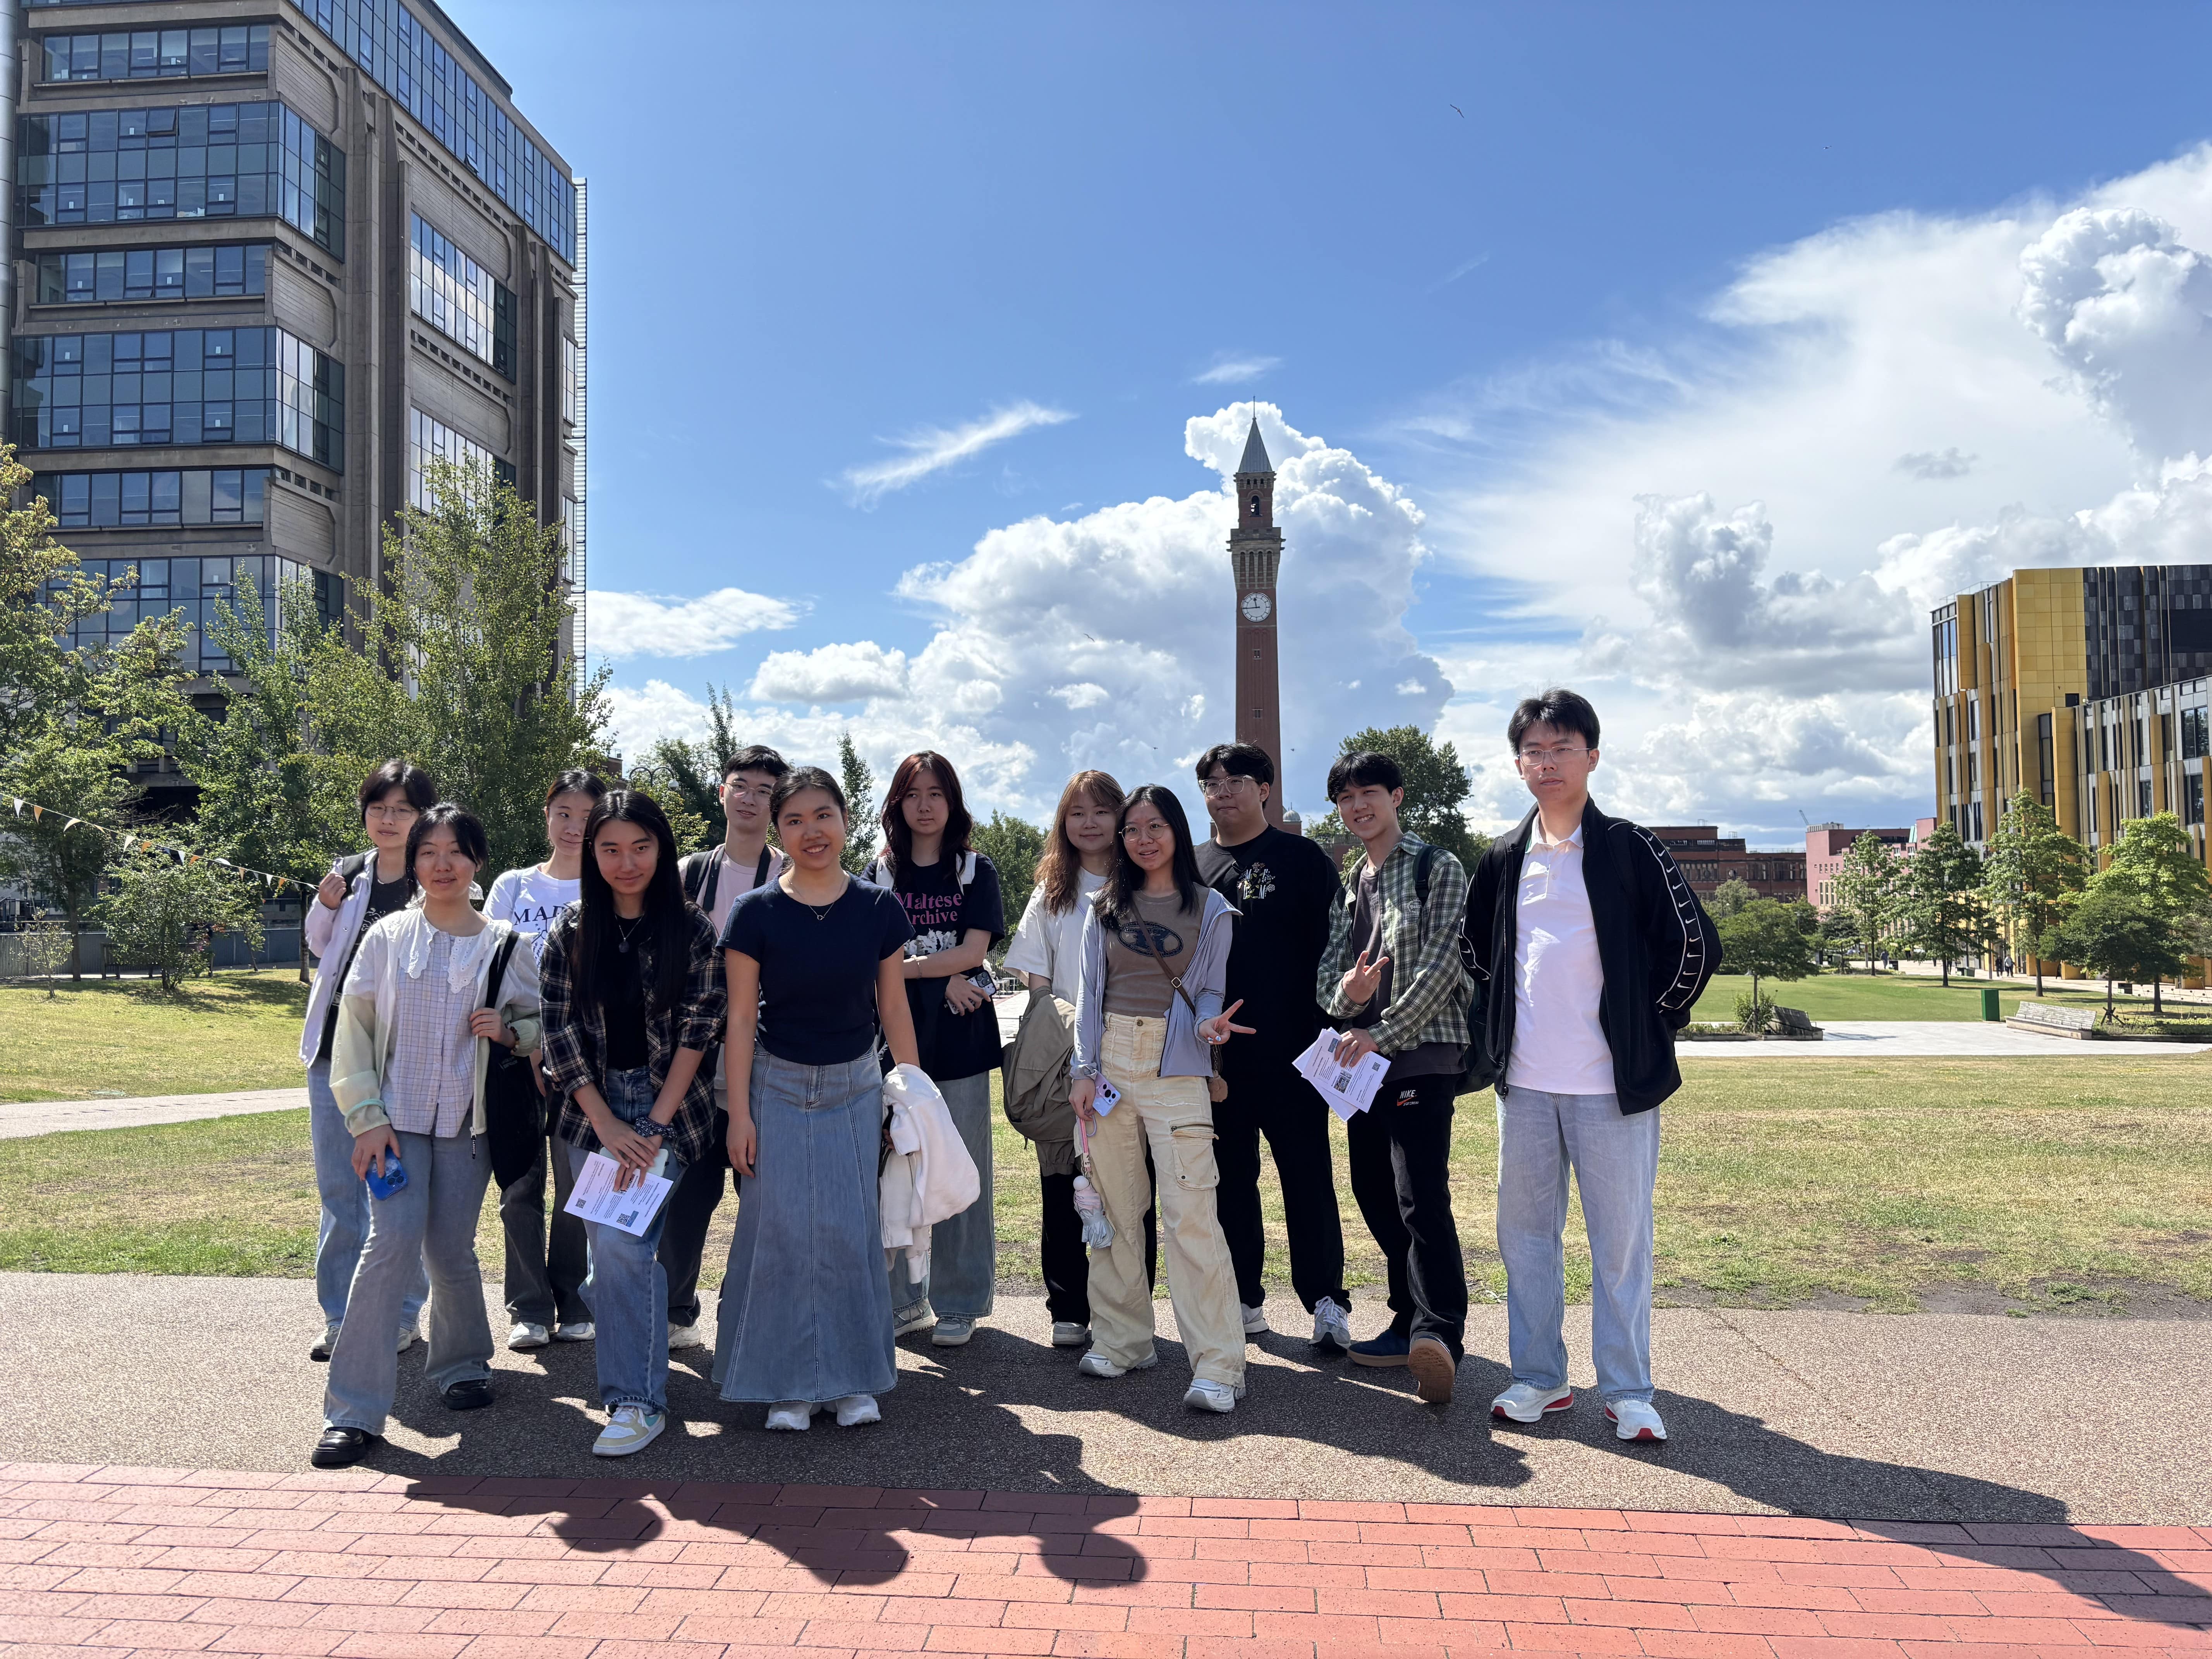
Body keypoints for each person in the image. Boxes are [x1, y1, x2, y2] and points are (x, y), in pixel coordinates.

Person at [1467, 689, 1716, 1443]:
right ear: (1518, 764)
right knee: (1528, 1240)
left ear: (1592, 756)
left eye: (1562, 749)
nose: (1547, 763)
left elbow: (1695, 947)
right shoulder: (1506, 858)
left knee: (1620, 1243)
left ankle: (1629, 1391)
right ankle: (1539, 1379)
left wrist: (1650, 1023)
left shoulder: (1630, 848)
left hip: (1614, 1087)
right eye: (1534, 752)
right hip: (1528, 1086)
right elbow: (1477, 954)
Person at [311, 803, 541, 1468]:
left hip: (470, 1128)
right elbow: (350, 1033)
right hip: (393, 1126)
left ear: (477, 861)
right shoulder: (384, 939)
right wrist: (365, 1118)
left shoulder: (506, 944)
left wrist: (511, 1031)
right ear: (412, 864)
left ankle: (464, 1365)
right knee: (391, 1245)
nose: (443, 865)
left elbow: (539, 1026)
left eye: (456, 851)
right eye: (429, 853)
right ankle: (352, 1411)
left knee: (451, 1248)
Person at [713, 766, 919, 1430]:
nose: (812, 831)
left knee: (848, 1232)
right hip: (774, 1085)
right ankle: (787, 1386)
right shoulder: (756, 913)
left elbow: (893, 1005)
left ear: (845, 819)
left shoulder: (879, 908)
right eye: (795, 820)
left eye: (823, 815)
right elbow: (740, 1019)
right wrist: (740, 1113)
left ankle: (855, 1380)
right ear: (779, 831)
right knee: (779, 1236)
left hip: (855, 1085)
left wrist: (910, 1096)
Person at [539, 790, 726, 1458]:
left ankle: (635, 1400)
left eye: (641, 847)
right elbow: (557, 1033)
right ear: (592, 854)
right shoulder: (570, 930)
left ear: (662, 849)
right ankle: (637, 1385)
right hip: (592, 1111)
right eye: (611, 848)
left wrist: (650, 1127)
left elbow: (701, 1033)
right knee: (620, 1254)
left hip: (670, 1107)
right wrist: (608, 1125)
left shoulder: (694, 928)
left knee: (620, 1252)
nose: (627, 862)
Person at [1070, 785, 1252, 1413]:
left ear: (1177, 830)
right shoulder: (1104, 908)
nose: (1143, 839)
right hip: (1111, 1062)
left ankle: (1218, 1365)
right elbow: (1089, 997)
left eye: (1155, 827)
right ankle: (1123, 1342)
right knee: (1115, 1214)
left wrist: (1209, 1025)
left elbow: (1208, 991)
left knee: (1192, 1218)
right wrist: (1083, 1069)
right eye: (1132, 830)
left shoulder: (1213, 908)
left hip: (1178, 1070)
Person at [1316, 749, 1473, 1405]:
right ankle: (1409, 1319)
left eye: (1368, 794)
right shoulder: (1352, 883)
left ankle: (1441, 1333)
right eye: (1346, 799)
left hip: (1422, 1055)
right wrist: (1352, 993)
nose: (1357, 808)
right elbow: (1329, 985)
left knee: (1418, 1197)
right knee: (1374, 1193)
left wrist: (1379, 1029)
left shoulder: (1438, 866)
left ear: (1397, 797)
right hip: (1363, 1066)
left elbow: (1440, 969)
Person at [1192, 742, 1352, 1353]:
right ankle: (1245, 1299)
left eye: (1236, 780)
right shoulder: (1194, 866)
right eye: (1211, 781)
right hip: (1219, 1061)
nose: (1223, 790)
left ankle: (1327, 1302)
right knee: (1232, 1182)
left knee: (1308, 1181)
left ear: (1265, 789)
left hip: (1296, 1056)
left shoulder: (1302, 858)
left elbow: (1336, 950)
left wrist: (1332, 1028)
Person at [1001, 770, 1158, 1346]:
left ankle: (1130, 1304)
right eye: (1076, 813)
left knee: (1132, 1189)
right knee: (1063, 1181)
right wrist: (1072, 1039)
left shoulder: (1145, 883)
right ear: (1063, 824)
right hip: (1068, 1055)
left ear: (1120, 816)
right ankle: (1069, 1306)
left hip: (1135, 1052)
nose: (1089, 823)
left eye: (1100, 811)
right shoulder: (1053, 892)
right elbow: (1037, 979)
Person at [298, 759, 436, 1363]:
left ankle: (402, 1315)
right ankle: (339, 1317)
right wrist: (326, 907)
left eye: (402, 809)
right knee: (339, 1191)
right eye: (379, 807)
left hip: (402, 1060)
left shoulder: (435, 875)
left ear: (421, 817)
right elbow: (321, 947)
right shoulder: (348, 873)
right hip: (335, 1054)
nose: (388, 819)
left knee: (396, 1194)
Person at [869, 750, 1004, 1348]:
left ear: (953, 802)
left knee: (961, 1170)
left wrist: (918, 969)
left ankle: (959, 1299)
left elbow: (973, 953)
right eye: (912, 794)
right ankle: (903, 1302)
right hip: (890, 1050)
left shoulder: (976, 870)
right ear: (896, 804)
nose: (924, 805)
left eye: (936, 793)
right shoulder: (877, 875)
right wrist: (935, 973)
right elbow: (868, 961)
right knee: (894, 1170)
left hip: (961, 1046)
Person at [661, 744, 790, 1351]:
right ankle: (674, 1313)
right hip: (690, 1053)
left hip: (763, 1057)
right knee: (687, 1193)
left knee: (759, 1192)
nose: (751, 799)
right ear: (722, 792)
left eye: (766, 791)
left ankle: (756, 1320)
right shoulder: (688, 872)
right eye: (741, 785)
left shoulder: (791, 874)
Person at [482, 768, 607, 1351]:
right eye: (563, 812)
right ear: (547, 815)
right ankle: (529, 1306)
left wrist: (556, 1046)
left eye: (586, 816)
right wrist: (524, 1042)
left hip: (584, 1058)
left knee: (580, 1186)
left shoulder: (608, 883)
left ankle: (573, 1295)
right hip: (513, 1056)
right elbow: (494, 965)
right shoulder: (512, 885)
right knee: (519, 1187)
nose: (573, 826)